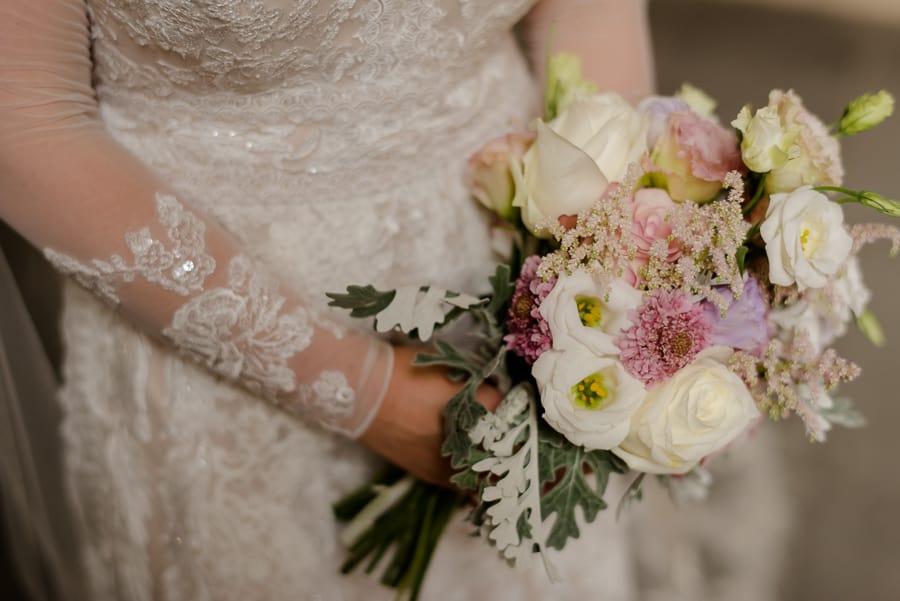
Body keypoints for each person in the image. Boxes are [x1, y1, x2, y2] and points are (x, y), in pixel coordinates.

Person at [0, 1, 787, 600]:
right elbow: (24, 121)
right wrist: (366, 392)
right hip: (215, 332)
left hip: (524, 303)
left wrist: (621, 266)